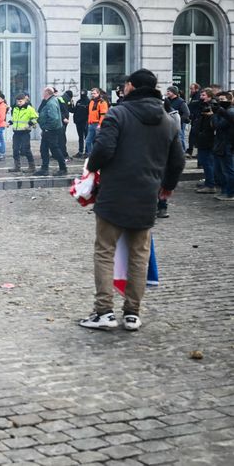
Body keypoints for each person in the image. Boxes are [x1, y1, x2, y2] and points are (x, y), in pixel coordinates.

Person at [79, 68, 184, 332]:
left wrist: (91, 168)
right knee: (140, 255)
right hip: (147, 194)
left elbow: (103, 149)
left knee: (104, 251)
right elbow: (178, 160)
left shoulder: (118, 113)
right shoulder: (168, 120)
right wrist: (167, 187)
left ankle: (103, 311)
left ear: (130, 87)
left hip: (114, 192)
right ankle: (132, 313)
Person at [35, 86, 67, 176]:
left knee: (54, 149)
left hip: (51, 130)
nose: (42, 94)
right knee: (44, 149)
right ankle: (44, 168)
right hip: (49, 130)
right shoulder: (50, 101)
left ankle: (63, 168)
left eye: (43, 92)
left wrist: (46, 128)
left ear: (47, 93)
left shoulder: (51, 103)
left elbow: (54, 118)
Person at [210, 91, 234, 202]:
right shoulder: (225, 112)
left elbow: (218, 126)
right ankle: (225, 190)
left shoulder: (230, 112)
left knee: (228, 171)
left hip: (226, 145)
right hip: (221, 144)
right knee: (220, 170)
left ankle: (229, 193)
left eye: (223, 100)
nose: (220, 102)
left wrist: (215, 114)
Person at [193, 88, 217, 194]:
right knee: (205, 161)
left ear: (209, 96)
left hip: (207, 138)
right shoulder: (203, 104)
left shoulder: (212, 106)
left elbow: (211, 124)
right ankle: (208, 182)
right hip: (203, 137)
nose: (201, 97)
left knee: (207, 162)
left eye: (203, 95)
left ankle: (210, 184)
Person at [8, 93, 38, 173]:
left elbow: (35, 118)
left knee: (26, 149)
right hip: (16, 132)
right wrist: (10, 122)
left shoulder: (29, 108)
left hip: (25, 132)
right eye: (17, 101)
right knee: (15, 149)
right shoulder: (15, 108)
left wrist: (30, 124)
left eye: (20, 101)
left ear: (25, 100)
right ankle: (17, 166)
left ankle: (32, 166)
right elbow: (14, 119)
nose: (18, 103)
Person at [84, 88, 109, 155]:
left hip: (98, 124)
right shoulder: (91, 102)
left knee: (99, 142)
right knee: (88, 141)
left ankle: (101, 155)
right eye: (92, 93)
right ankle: (92, 156)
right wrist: (89, 122)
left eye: (94, 93)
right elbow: (90, 113)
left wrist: (100, 124)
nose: (93, 95)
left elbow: (103, 115)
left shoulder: (102, 102)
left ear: (98, 93)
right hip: (91, 124)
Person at [165, 86, 190, 151]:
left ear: (174, 92)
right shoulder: (167, 100)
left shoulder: (181, 101)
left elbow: (186, 113)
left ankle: (182, 152)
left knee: (180, 137)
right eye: (167, 91)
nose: (167, 92)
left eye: (169, 91)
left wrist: (179, 121)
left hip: (179, 123)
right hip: (169, 123)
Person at [186, 83, 202, 157]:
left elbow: (194, 107)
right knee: (192, 136)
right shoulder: (194, 96)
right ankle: (190, 150)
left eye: (192, 89)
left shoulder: (198, 96)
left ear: (196, 89)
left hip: (197, 119)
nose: (191, 90)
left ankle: (192, 151)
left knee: (194, 136)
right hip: (194, 118)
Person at [73, 91, 89, 158]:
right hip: (78, 122)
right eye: (81, 93)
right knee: (80, 137)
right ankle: (80, 151)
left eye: (83, 93)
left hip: (85, 122)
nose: (82, 95)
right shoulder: (78, 102)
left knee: (87, 138)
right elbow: (75, 111)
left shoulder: (89, 102)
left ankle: (87, 152)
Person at [59, 90, 73, 161]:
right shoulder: (66, 99)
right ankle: (64, 154)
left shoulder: (61, 98)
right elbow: (70, 109)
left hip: (62, 120)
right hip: (62, 121)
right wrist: (64, 118)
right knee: (62, 138)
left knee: (60, 138)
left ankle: (59, 154)